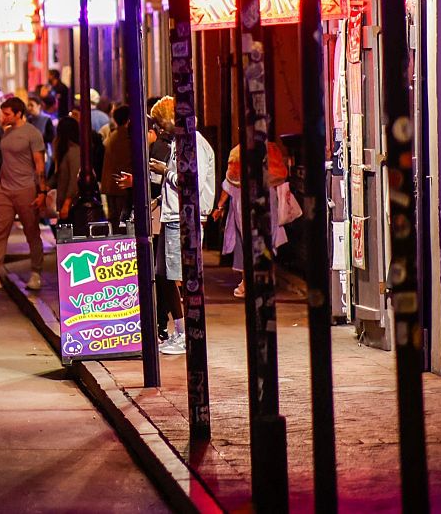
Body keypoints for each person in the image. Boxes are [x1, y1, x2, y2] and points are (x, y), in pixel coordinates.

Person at [149, 98, 216, 354]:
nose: (157, 128)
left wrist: (165, 171)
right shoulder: (180, 143)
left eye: (158, 122)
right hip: (173, 216)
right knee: (166, 274)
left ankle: (187, 332)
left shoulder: (193, 143)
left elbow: (191, 184)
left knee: (180, 278)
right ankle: (180, 329)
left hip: (184, 218)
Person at [213, 140, 298, 299]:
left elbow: (228, 185)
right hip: (268, 199)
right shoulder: (271, 150)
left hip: (243, 200)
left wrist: (219, 206)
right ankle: (263, 280)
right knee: (267, 241)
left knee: (247, 242)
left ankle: (247, 283)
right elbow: (280, 177)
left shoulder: (237, 152)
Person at [0, 97, 47, 292]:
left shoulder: (32, 134)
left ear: (18, 113)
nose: (4, 116)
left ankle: (36, 273)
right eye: (3, 113)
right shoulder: (6, 133)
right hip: (5, 191)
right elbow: (6, 164)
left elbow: (39, 165)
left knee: (31, 232)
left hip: (26, 189)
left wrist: (42, 191)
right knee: (1, 232)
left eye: (8, 113)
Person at [100, 105, 134, 226]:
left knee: (114, 221)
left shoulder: (113, 135)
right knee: (121, 223)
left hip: (111, 186)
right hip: (121, 187)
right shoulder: (128, 137)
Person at [52, 115, 85, 231]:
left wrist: (67, 203)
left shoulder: (73, 152)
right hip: (69, 204)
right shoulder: (68, 151)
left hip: (73, 205)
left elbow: (74, 180)